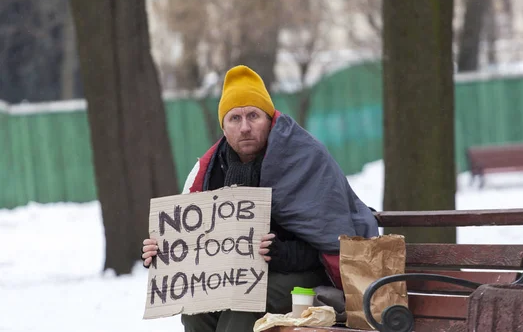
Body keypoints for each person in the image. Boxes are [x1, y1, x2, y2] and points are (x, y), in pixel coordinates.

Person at [141, 65, 379, 332]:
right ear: (224, 126)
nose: (245, 127)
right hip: (241, 276)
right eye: (235, 118)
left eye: (253, 116)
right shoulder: (212, 169)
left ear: (270, 118)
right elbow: (196, 244)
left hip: (307, 274)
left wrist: (281, 253)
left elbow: (333, 241)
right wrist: (165, 252)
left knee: (244, 304)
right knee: (197, 312)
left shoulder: (305, 157)